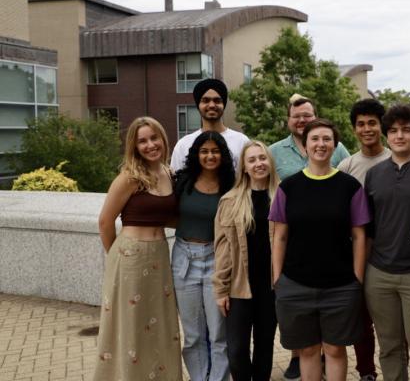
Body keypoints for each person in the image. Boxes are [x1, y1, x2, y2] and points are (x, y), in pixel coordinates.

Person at [270, 118, 370, 381]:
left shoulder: (349, 187)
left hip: (340, 286)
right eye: (315, 139)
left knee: (336, 349)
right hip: (296, 284)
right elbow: (279, 236)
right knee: (308, 349)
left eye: (327, 139)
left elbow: (359, 236)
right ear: (305, 146)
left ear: (335, 146)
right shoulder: (288, 188)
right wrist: (277, 279)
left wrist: (357, 279)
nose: (321, 144)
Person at [94, 117, 182, 380]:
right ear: (134, 145)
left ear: (163, 139)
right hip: (130, 257)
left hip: (159, 254)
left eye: (154, 138)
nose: (150, 145)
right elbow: (105, 221)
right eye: (142, 140)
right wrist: (117, 259)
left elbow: (169, 216)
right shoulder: (130, 177)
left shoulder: (168, 173)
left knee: (160, 324)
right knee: (131, 324)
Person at [364, 104, 410, 381]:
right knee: (389, 347)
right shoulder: (374, 174)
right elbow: (368, 229)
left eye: (406, 130)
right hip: (379, 273)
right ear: (386, 136)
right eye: (393, 131)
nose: (399, 136)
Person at [213, 141, 280, 381]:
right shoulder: (230, 201)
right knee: (237, 350)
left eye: (262, 158)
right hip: (239, 287)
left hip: (271, 287)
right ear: (243, 167)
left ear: (270, 162)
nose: (258, 164)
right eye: (251, 160)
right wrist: (220, 289)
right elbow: (222, 249)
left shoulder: (282, 197)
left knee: (264, 346)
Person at [172, 130, 235, 381]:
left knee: (219, 334)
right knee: (193, 335)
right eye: (204, 151)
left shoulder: (231, 185)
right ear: (196, 154)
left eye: (215, 151)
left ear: (223, 155)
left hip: (217, 260)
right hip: (184, 259)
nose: (210, 156)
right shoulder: (182, 181)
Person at [338, 98, 389, 381]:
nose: (367, 129)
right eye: (361, 124)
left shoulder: (397, 159)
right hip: (357, 254)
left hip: (391, 253)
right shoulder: (347, 166)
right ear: (354, 129)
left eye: (372, 123)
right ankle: (366, 372)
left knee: (394, 324)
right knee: (361, 321)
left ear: (381, 126)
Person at [171, 78, 249, 171]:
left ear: (223, 104)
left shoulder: (242, 142)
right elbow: (176, 181)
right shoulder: (183, 145)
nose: (212, 105)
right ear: (198, 105)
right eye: (205, 100)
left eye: (217, 100)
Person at [270, 95, 350, 181]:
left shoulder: (337, 148)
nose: (302, 120)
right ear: (288, 120)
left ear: (316, 117)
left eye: (307, 115)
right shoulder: (272, 152)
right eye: (296, 116)